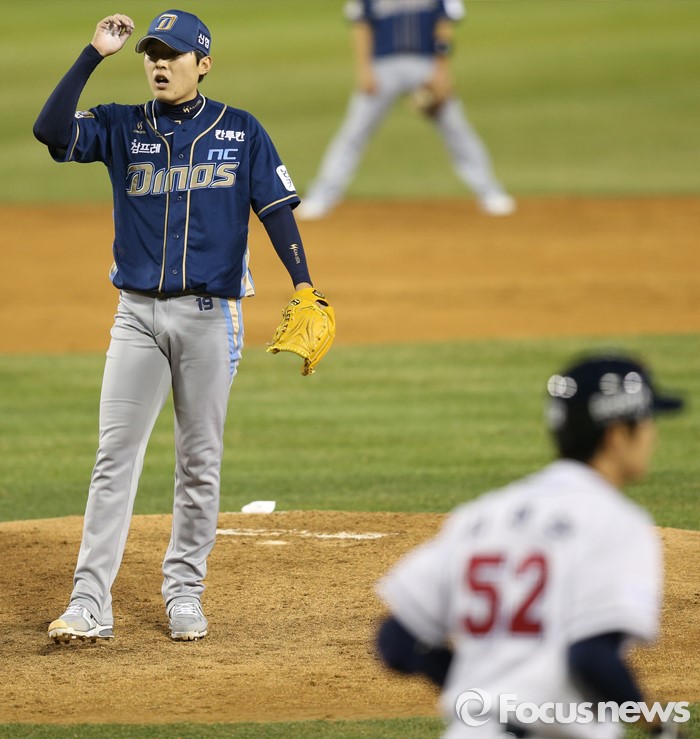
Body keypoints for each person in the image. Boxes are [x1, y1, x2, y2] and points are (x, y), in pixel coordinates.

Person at [33, 10, 330, 642]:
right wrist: (93, 54)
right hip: (135, 318)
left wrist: (304, 284)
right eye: (152, 54)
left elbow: (276, 210)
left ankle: (185, 592)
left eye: (172, 54)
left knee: (199, 462)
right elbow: (49, 130)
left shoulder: (241, 131)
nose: (159, 64)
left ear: (204, 63)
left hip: (209, 319)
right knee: (114, 458)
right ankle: (89, 602)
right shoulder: (121, 125)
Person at [375, 354, 686, 738]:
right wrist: (657, 724)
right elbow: (591, 657)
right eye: (647, 421)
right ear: (617, 434)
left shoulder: (482, 515)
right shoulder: (616, 523)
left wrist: (480, 686)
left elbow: (396, 641)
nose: (653, 434)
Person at [297, 0, 515, 220]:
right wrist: (364, 70)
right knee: (354, 132)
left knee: (457, 129)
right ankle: (322, 197)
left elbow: (444, 23)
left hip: (426, 65)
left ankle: (490, 192)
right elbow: (361, 25)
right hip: (381, 68)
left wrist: (441, 70)